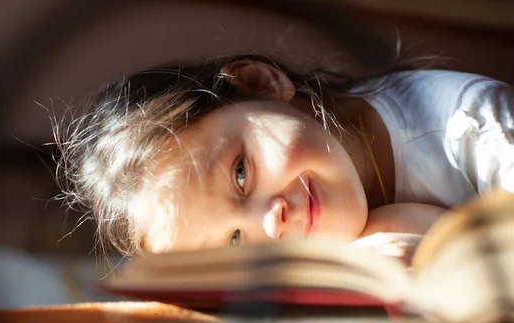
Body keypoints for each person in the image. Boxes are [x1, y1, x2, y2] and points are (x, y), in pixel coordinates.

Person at [52, 54, 513, 265]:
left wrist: (437, 238)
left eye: (240, 172)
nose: (271, 224)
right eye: (234, 242)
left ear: (260, 83)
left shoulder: (472, 129)